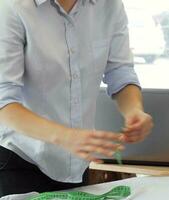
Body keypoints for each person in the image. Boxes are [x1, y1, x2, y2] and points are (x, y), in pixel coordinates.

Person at [0, 0, 153, 196]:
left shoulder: (109, 6)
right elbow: (4, 100)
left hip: (77, 164)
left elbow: (120, 71)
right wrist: (66, 137)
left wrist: (133, 110)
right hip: (20, 159)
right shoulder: (12, 7)